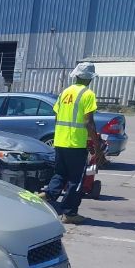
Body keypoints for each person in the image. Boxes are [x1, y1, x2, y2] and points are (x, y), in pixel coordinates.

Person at [41, 62, 101, 224]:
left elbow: (57, 116)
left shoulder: (65, 92)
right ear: (90, 79)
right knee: (77, 180)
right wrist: (96, 144)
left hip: (60, 141)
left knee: (60, 174)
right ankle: (69, 213)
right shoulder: (88, 94)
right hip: (76, 144)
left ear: (76, 75)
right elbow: (89, 122)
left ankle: (48, 196)